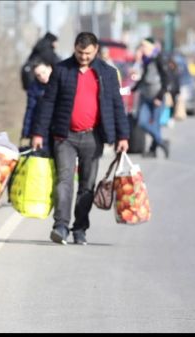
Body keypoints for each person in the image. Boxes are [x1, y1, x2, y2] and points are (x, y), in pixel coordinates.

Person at [31, 32, 129, 246]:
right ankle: (61, 226)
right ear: (74, 48)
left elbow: (117, 106)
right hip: (64, 136)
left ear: (95, 51)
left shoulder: (108, 73)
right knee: (64, 180)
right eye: (79, 52)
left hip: (93, 137)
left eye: (88, 53)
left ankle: (80, 228)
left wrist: (123, 136)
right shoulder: (62, 70)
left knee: (87, 186)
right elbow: (48, 103)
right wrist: (38, 133)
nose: (83, 57)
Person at [131, 37, 170, 159]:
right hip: (145, 96)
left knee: (156, 124)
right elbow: (144, 77)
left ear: (151, 47)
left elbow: (165, 79)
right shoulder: (145, 60)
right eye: (142, 47)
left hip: (156, 96)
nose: (143, 49)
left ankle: (153, 150)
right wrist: (133, 89)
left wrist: (159, 96)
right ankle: (161, 141)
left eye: (145, 46)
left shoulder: (158, 58)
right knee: (142, 121)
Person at [20, 59, 52, 152]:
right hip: (39, 129)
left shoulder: (61, 84)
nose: (42, 76)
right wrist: (26, 132)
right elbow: (30, 110)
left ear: (50, 68)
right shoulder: (34, 89)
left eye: (43, 72)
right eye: (38, 75)